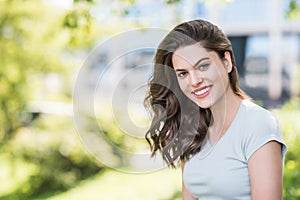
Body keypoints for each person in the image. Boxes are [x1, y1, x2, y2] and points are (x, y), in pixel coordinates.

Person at [144, 19, 287, 200]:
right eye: (183, 73)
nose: (194, 81)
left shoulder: (258, 124)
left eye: (203, 66)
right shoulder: (192, 128)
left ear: (226, 61)